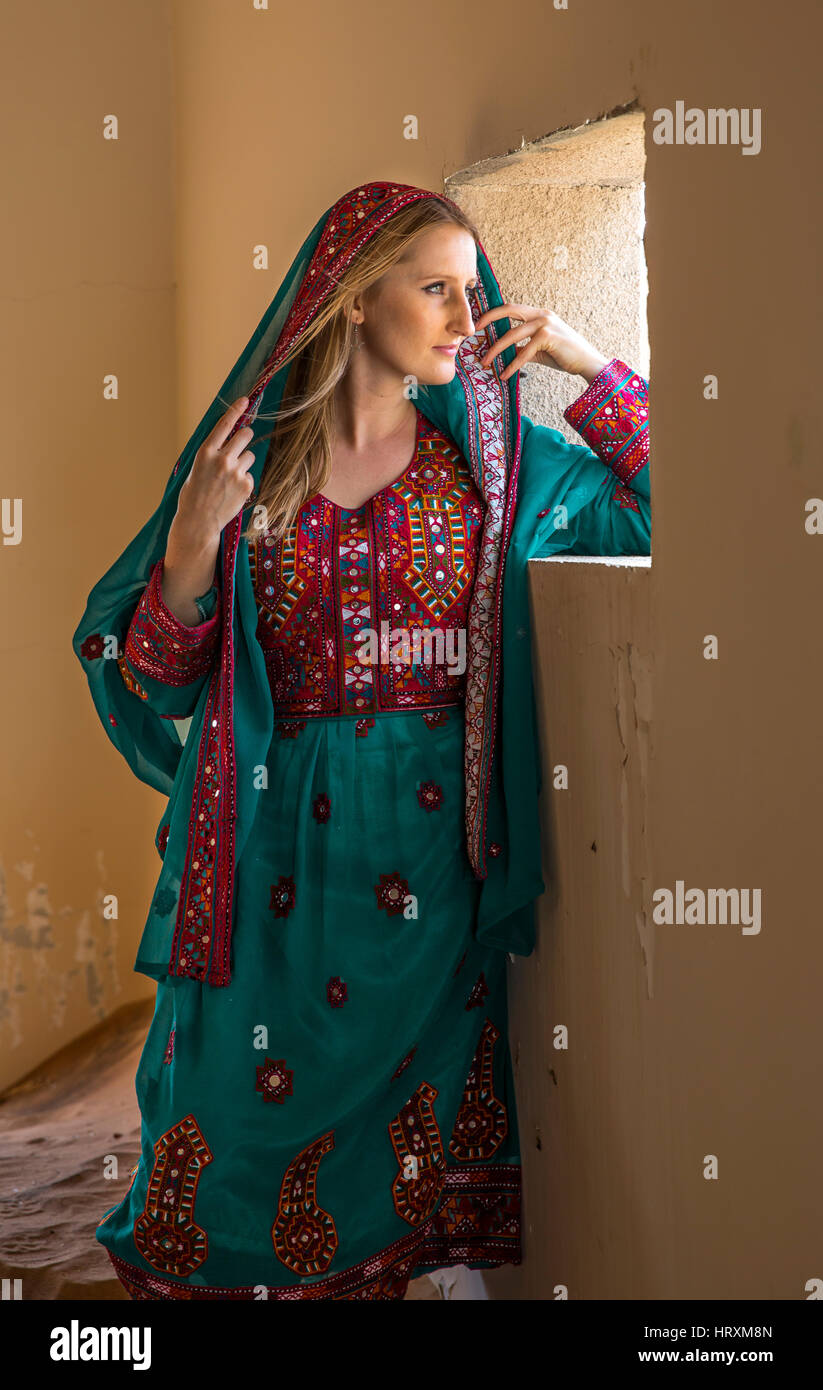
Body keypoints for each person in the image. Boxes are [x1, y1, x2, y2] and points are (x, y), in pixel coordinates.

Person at [73, 180, 650, 1300]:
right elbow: (151, 678)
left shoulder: (496, 466)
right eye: (434, 287)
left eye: (471, 289)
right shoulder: (250, 470)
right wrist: (191, 546)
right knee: (225, 1111)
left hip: (431, 864)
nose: (462, 314)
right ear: (349, 300)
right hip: (268, 856)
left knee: (404, 1135)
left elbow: (673, 504)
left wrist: (588, 368)